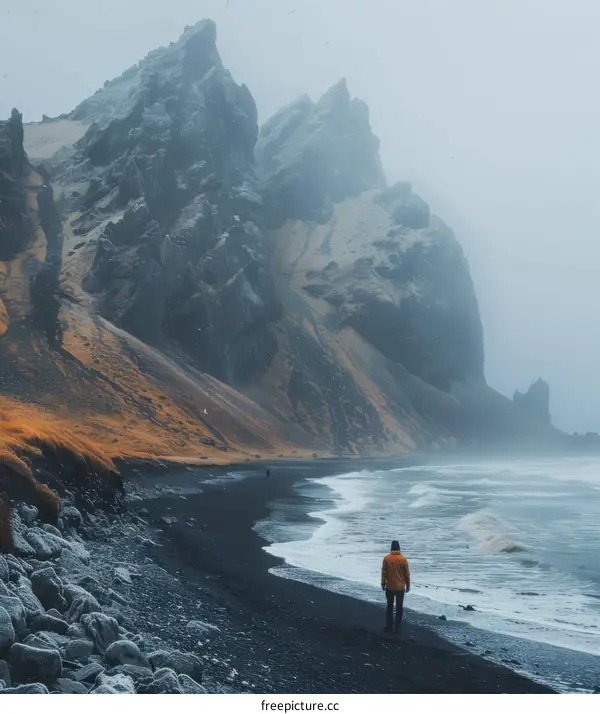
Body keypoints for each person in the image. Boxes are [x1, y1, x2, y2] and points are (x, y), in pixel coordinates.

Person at [381, 539, 410, 634]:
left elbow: (384, 573)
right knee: (399, 607)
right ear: (399, 548)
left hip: (390, 586)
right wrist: (408, 585)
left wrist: (383, 583)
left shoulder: (386, 558)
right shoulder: (403, 559)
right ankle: (397, 628)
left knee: (389, 606)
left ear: (391, 548)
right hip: (400, 587)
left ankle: (389, 625)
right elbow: (407, 574)